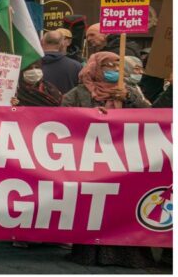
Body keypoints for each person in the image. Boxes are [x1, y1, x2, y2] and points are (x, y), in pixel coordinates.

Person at [64, 52, 154, 268]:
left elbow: (151, 116)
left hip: (125, 158)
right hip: (90, 159)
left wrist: (129, 99)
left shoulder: (129, 91)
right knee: (94, 206)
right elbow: (63, 118)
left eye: (116, 64)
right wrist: (88, 115)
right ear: (94, 67)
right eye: (106, 65)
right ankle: (90, 254)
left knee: (124, 204)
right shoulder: (78, 94)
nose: (112, 68)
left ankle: (127, 255)